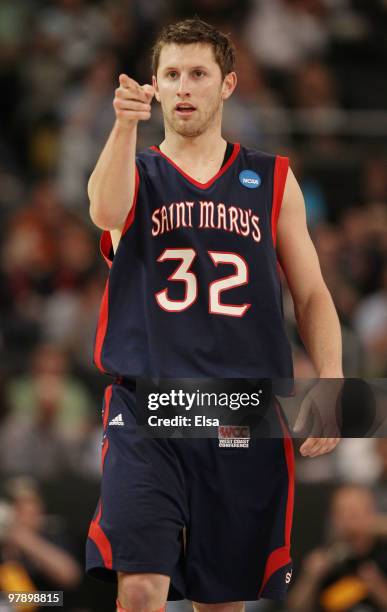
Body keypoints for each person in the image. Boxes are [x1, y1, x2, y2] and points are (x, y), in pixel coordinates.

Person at [85, 17, 342, 612]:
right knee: (141, 585)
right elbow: (104, 211)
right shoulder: (136, 169)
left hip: (240, 409)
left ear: (227, 84)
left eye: (197, 74)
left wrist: (330, 381)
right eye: (170, 74)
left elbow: (312, 294)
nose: (182, 87)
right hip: (146, 405)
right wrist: (123, 126)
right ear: (153, 83)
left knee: (221, 600)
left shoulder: (273, 178)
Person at [288, 484, 387, 611]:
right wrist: (310, 578)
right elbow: (295, 608)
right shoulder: (326, 559)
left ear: (371, 512)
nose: (348, 518)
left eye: (354, 511)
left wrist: (377, 587)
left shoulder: (382, 551)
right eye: (341, 512)